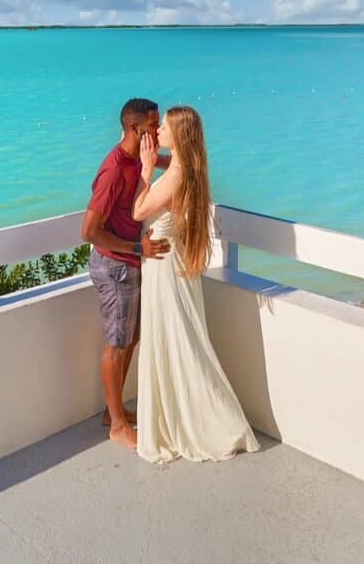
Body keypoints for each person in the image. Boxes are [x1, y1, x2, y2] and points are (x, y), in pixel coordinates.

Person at [133, 105, 260, 463]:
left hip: (163, 264)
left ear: (179, 135)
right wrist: (153, 159)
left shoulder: (176, 175)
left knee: (174, 337)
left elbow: (139, 211)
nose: (157, 132)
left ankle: (192, 421)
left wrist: (144, 171)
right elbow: (172, 167)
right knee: (180, 336)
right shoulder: (188, 167)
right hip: (173, 261)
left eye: (164, 128)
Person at [81, 98, 171, 450]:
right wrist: (137, 249)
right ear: (135, 129)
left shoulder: (138, 159)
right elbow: (89, 231)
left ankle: (112, 412)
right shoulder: (115, 169)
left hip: (129, 263)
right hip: (114, 267)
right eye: (153, 127)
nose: (158, 133)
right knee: (117, 345)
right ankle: (117, 425)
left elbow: (175, 162)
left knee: (130, 339)